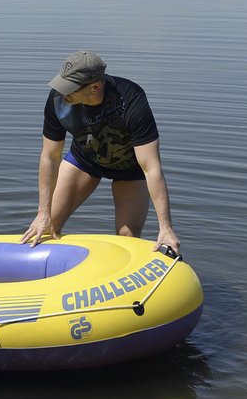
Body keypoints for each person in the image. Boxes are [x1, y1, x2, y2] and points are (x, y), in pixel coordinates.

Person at [20, 51, 180, 253]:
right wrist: (43, 213)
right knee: (46, 229)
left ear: (95, 86)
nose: (62, 93)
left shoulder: (131, 101)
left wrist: (165, 227)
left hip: (130, 169)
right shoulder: (58, 101)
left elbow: (151, 168)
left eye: (70, 89)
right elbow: (50, 157)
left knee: (126, 238)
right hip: (84, 160)